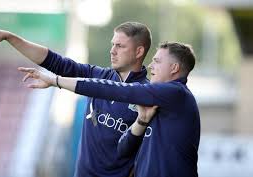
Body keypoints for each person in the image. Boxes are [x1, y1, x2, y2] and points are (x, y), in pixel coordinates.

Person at [0, 21, 152, 177]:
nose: (112, 51)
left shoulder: (148, 95)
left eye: (120, 46)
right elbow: (56, 62)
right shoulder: (99, 76)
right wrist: (10, 37)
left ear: (139, 52)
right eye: (113, 44)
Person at [15, 41, 200, 177]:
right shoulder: (157, 102)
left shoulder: (177, 93)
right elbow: (123, 150)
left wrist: (55, 81)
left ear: (174, 68)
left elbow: (115, 90)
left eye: (157, 61)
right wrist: (141, 121)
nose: (151, 65)